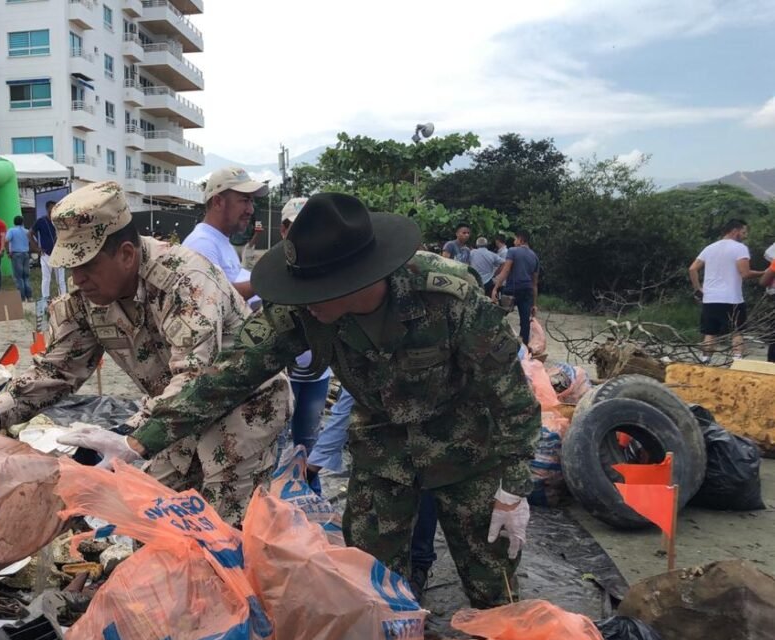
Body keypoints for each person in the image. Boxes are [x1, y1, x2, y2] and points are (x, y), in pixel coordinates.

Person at [67, 192, 539, 609]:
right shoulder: (301, 310)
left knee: (493, 589)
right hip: (383, 450)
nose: (304, 302)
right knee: (371, 589)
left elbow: (512, 394)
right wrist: (138, 443)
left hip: (469, 448)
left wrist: (515, 485)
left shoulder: (447, 295)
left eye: (315, 293)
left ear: (356, 281)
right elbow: (226, 376)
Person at [0, 182, 292, 525]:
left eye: (86, 265)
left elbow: (195, 379)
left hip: (241, 410)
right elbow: (59, 369)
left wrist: (123, 434)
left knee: (220, 530)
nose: (77, 278)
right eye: (71, 266)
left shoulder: (184, 281)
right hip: (168, 417)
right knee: (151, 520)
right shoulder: (88, 297)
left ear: (127, 254)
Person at [307, 386, 440, 596]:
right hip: (379, 449)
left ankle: (417, 569)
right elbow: (349, 400)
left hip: (429, 440)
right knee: (369, 523)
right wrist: (315, 462)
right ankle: (375, 581)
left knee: (424, 495)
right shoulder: (362, 362)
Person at [278, 196, 331, 461]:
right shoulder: (271, 276)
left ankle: (310, 496)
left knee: (309, 446)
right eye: (294, 227)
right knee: (275, 445)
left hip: (318, 376)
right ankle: (271, 500)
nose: (302, 235)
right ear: (283, 230)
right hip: (282, 377)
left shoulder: (331, 271)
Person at [183, 166, 268, 301]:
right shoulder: (202, 244)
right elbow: (213, 299)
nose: (251, 210)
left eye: (251, 201)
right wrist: (265, 282)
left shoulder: (219, 240)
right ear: (218, 202)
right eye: (245, 200)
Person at [688, 219, 764, 361]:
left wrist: (698, 288)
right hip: (732, 298)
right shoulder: (739, 248)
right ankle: (737, 360)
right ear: (735, 231)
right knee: (737, 332)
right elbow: (745, 273)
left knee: (710, 332)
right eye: (743, 232)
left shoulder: (709, 248)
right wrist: (765, 273)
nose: (745, 235)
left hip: (710, 298)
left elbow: (692, 268)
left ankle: (705, 360)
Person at [492, 230, 540, 345]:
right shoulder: (535, 257)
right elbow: (534, 283)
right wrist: (534, 304)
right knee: (525, 322)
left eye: (515, 239)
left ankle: (494, 342)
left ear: (521, 240)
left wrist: (495, 288)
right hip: (527, 290)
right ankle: (523, 348)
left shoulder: (513, 251)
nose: (514, 242)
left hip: (512, 290)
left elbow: (506, 270)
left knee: (498, 316)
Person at [30, 200, 67, 305]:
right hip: (45, 254)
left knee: (61, 279)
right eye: (52, 208)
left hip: (59, 254)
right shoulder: (41, 221)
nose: (54, 210)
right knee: (46, 278)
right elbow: (30, 234)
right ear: (47, 209)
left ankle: (63, 298)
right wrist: (36, 248)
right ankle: (45, 300)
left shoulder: (58, 220)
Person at [5, 215, 32, 301]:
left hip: (16, 255)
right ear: (22, 222)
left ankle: (22, 297)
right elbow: (32, 241)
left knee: (19, 277)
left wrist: (8, 252)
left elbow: (6, 240)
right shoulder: (27, 231)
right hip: (26, 254)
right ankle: (29, 296)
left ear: (14, 222)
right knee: (26, 276)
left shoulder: (11, 230)